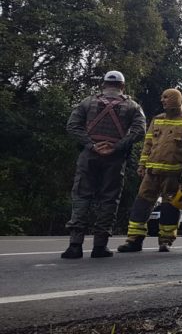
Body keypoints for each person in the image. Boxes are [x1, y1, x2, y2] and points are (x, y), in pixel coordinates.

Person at [62, 70, 146, 259]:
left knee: (81, 196)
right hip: (115, 159)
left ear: (103, 84)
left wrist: (91, 145)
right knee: (109, 199)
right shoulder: (133, 106)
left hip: (89, 156)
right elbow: (140, 131)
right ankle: (100, 246)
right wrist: (117, 147)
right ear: (122, 86)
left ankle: (75, 246)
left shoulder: (87, 102)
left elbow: (72, 126)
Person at [117, 88, 182, 253]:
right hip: (152, 173)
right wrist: (142, 165)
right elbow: (147, 145)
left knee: (170, 207)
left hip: (173, 174)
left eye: (166, 97)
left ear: (176, 99)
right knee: (141, 204)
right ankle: (134, 240)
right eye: (162, 97)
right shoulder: (157, 120)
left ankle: (165, 241)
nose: (162, 100)